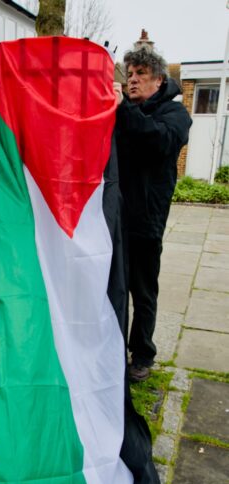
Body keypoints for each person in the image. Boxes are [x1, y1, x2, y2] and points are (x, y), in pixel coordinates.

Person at [115, 47, 192, 381]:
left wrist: (122, 110)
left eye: (140, 74)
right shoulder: (122, 111)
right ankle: (112, 348)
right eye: (129, 75)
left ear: (159, 80)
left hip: (146, 220)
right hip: (115, 216)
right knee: (114, 288)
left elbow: (157, 140)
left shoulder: (175, 114)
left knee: (143, 291)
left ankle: (143, 353)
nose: (132, 80)